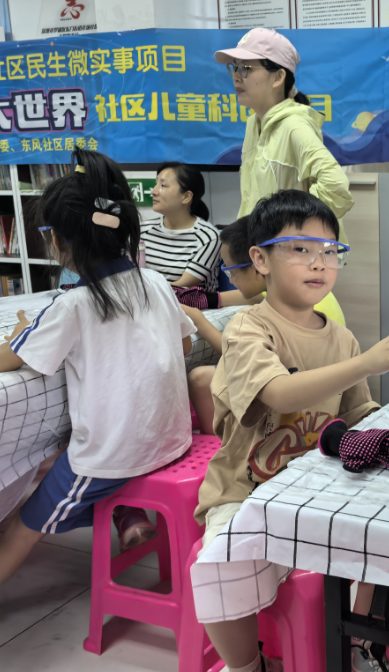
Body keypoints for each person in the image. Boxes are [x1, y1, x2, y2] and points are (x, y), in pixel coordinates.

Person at [192, 189, 389, 672]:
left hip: (320, 489)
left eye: (330, 251)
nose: (319, 262)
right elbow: (279, 393)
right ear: (260, 259)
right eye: (300, 248)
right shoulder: (247, 328)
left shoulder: (342, 338)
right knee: (218, 565)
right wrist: (367, 362)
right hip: (247, 491)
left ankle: (359, 644)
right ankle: (247, 665)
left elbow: (360, 414)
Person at [0, 149, 196, 583]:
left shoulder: (73, 305)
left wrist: (21, 332)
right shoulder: (155, 282)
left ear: (58, 241)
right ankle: (127, 513)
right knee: (56, 448)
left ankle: (118, 506)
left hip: (114, 456)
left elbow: (9, 360)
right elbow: (183, 345)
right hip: (171, 440)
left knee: (19, 528)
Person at [214, 27, 352, 323]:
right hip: (269, 264)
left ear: (278, 77)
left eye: (246, 68)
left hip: (293, 267)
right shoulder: (255, 124)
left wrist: (292, 232)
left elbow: (336, 186)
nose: (237, 76)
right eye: (234, 68)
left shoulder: (294, 126)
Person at [181, 215, 346, 435]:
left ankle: (219, 443)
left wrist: (198, 319)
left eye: (231, 272)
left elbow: (237, 354)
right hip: (322, 380)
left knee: (200, 378)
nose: (231, 280)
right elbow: (235, 297)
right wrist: (206, 299)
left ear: (258, 263)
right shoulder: (297, 288)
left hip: (298, 388)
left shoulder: (283, 305)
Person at [143, 162, 222, 292]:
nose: (153, 191)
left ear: (186, 197)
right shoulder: (142, 230)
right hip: (146, 302)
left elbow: (182, 287)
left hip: (190, 304)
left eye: (163, 185)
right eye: (156, 184)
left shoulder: (208, 237)